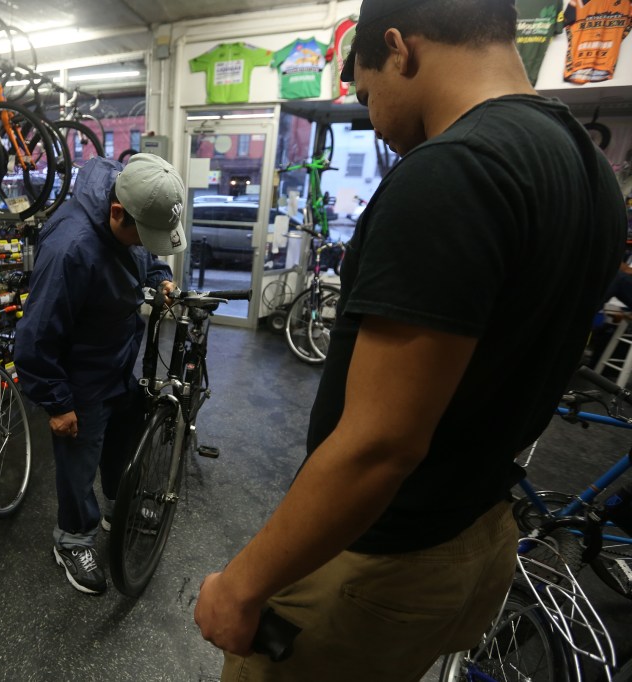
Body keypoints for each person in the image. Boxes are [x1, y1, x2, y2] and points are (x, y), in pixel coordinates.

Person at [194, 0, 627, 679]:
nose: (376, 119)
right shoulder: (590, 171)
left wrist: (241, 585)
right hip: (477, 537)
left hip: (382, 558)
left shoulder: (452, 171)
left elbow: (380, 444)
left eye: (368, 94)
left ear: (400, 49)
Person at [14, 153, 187, 595]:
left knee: (122, 444)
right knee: (79, 459)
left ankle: (118, 506)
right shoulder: (70, 249)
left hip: (118, 361)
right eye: (141, 236)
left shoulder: (130, 202)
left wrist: (162, 274)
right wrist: (56, 402)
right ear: (116, 212)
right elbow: (34, 338)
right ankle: (73, 538)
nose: (143, 244)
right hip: (80, 379)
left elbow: (145, 252)